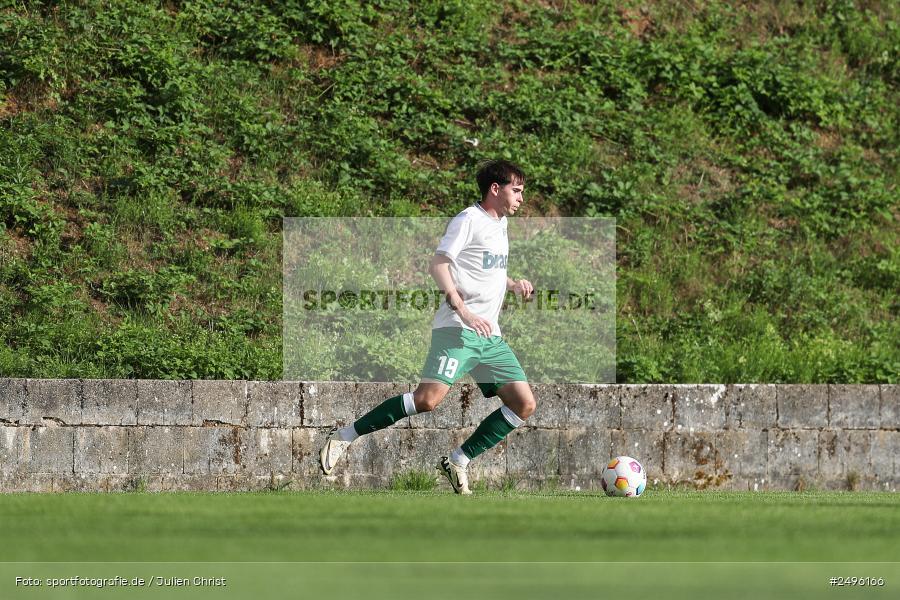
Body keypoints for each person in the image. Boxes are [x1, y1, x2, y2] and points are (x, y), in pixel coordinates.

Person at [319, 159, 536, 494]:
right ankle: (345, 435)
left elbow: (483, 268)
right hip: (458, 331)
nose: (521, 197)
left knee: (523, 404)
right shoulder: (469, 219)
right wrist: (462, 309)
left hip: (490, 337)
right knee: (426, 400)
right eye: (516, 190)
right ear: (496, 189)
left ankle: (460, 460)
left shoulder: (501, 224)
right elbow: (439, 264)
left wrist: (511, 283)